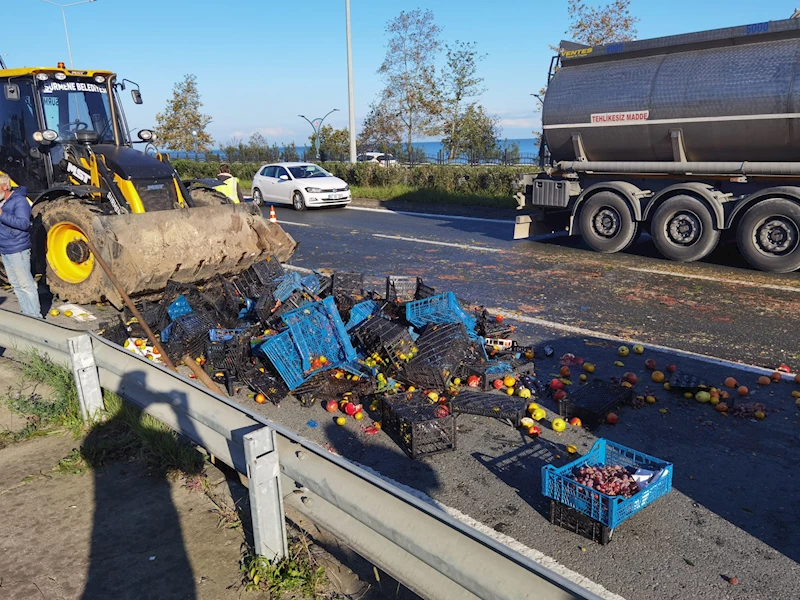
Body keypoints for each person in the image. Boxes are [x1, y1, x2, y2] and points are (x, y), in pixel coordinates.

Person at [0, 175, 41, 318]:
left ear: (4, 187)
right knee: (16, 284)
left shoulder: (20, 201)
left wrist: (1, 215)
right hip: (5, 249)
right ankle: (26, 313)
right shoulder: (2, 203)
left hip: (18, 249)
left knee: (26, 285)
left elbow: (23, 224)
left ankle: (36, 316)